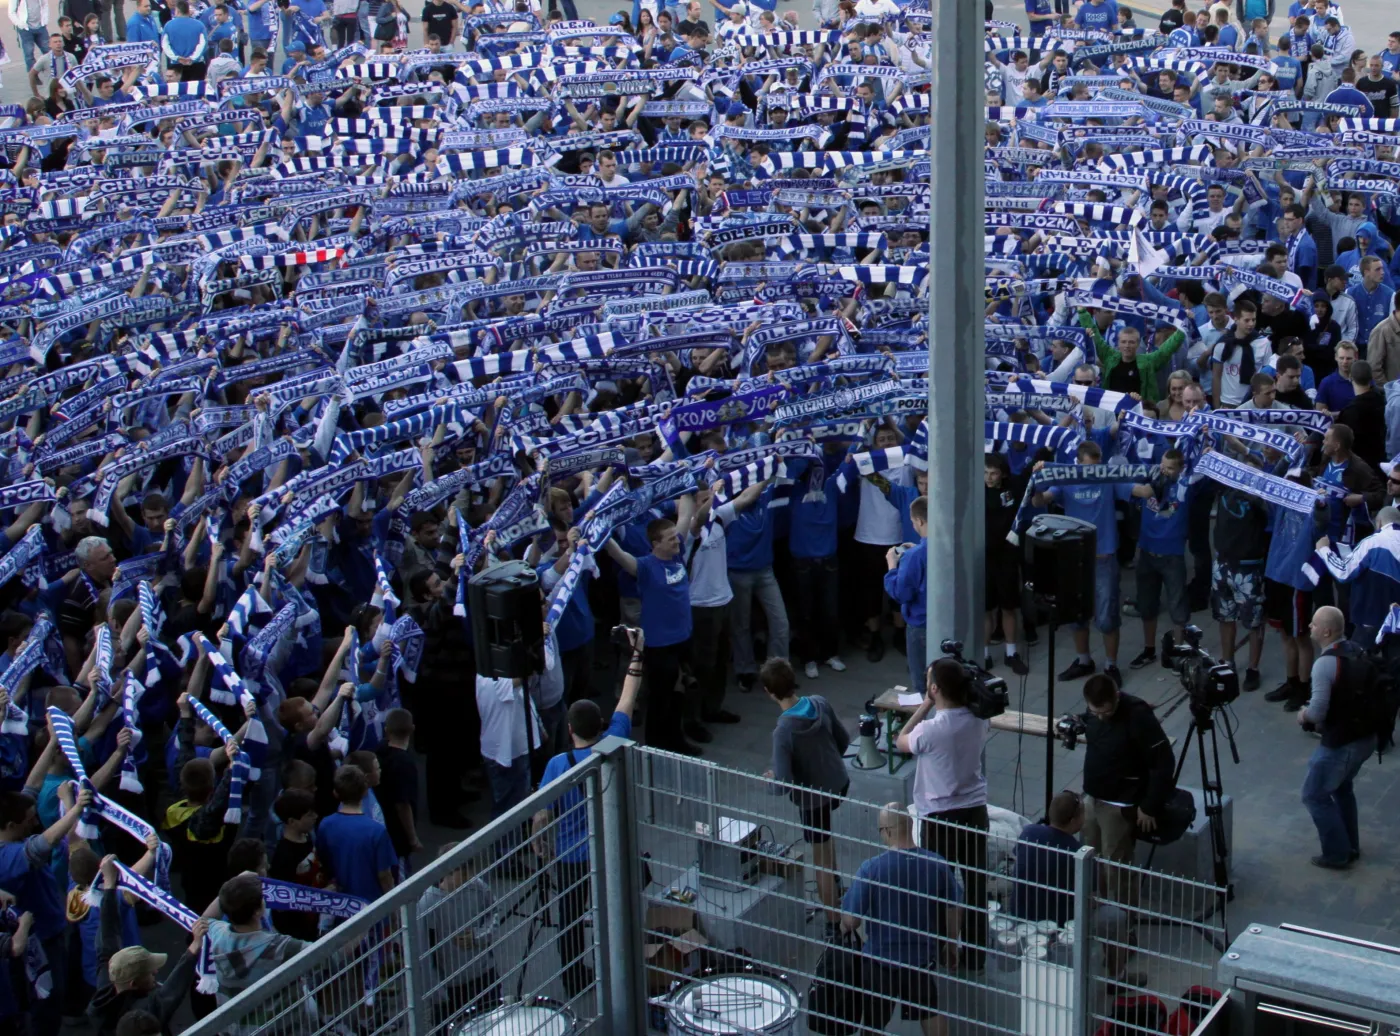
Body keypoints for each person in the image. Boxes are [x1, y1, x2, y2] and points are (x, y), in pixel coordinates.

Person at [531, 625, 641, 1001]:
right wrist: (637, 656)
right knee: (617, 906)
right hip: (611, 846)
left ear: (570, 728)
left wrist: (540, 845)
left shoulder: (559, 765)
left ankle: (574, 976)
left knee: (571, 921)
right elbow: (627, 699)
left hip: (570, 857)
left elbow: (542, 815)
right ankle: (623, 964)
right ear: (600, 724)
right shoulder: (614, 740)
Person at [895, 658, 989, 968]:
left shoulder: (931, 730)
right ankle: (975, 956)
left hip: (940, 817)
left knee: (938, 885)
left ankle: (939, 949)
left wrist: (924, 706)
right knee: (975, 884)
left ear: (935, 689)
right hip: (974, 812)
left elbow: (901, 741)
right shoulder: (978, 720)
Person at [841, 805, 962, 1036]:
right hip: (919, 960)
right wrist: (951, 942)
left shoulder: (871, 869)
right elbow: (953, 906)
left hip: (880, 961)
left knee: (874, 1023)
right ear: (910, 826)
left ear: (886, 831)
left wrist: (842, 922)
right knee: (930, 1012)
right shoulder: (936, 864)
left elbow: (853, 921)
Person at [760, 657, 849, 936]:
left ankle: (834, 923)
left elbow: (784, 782)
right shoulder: (819, 702)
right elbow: (844, 740)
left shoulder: (783, 731)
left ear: (769, 692)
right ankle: (836, 886)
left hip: (813, 798)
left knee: (819, 857)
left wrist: (771, 781)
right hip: (838, 782)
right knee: (826, 837)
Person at [604, 506, 701, 755]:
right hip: (659, 644)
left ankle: (675, 738)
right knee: (660, 697)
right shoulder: (645, 567)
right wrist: (601, 531)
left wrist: (688, 484)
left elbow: (684, 516)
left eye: (675, 537)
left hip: (683, 638)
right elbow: (618, 554)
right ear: (655, 544)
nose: (676, 541)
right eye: (670, 539)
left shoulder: (676, 556)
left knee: (679, 690)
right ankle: (656, 747)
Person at [1078, 674, 1175, 900]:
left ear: (1117, 697)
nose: (1101, 718)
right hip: (1093, 797)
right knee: (1089, 861)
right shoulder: (1093, 716)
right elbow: (1087, 721)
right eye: (1095, 712)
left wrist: (1149, 805)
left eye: (1107, 712)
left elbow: (1163, 762)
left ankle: (1123, 923)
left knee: (1116, 867)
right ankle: (1095, 911)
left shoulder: (1138, 716)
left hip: (1119, 805)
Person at [87, 855, 202, 1036]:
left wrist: (109, 886)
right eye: (149, 971)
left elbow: (107, 938)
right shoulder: (143, 1016)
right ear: (133, 983)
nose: (156, 973)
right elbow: (171, 992)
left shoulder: (106, 990)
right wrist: (194, 948)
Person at [1298, 606, 1376, 869]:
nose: (1310, 626)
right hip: (1366, 737)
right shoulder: (1355, 650)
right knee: (1342, 788)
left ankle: (1337, 854)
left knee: (1314, 795)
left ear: (1327, 631)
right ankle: (1350, 845)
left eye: (1314, 624)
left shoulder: (1324, 664)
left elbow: (1318, 710)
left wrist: (1303, 715)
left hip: (1342, 742)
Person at [315, 764, 397, 901]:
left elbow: (323, 863)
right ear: (365, 790)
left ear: (335, 793)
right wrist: (394, 909)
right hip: (371, 908)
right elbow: (385, 875)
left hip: (339, 905)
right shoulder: (377, 831)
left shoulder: (325, 825)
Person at [884, 495, 930, 692]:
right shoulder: (945, 545)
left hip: (920, 625)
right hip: (946, 621)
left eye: (913, 522)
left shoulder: (914, 557)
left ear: (919, 521)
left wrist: (892, 567)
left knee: (922, 685)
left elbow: (901, 593)